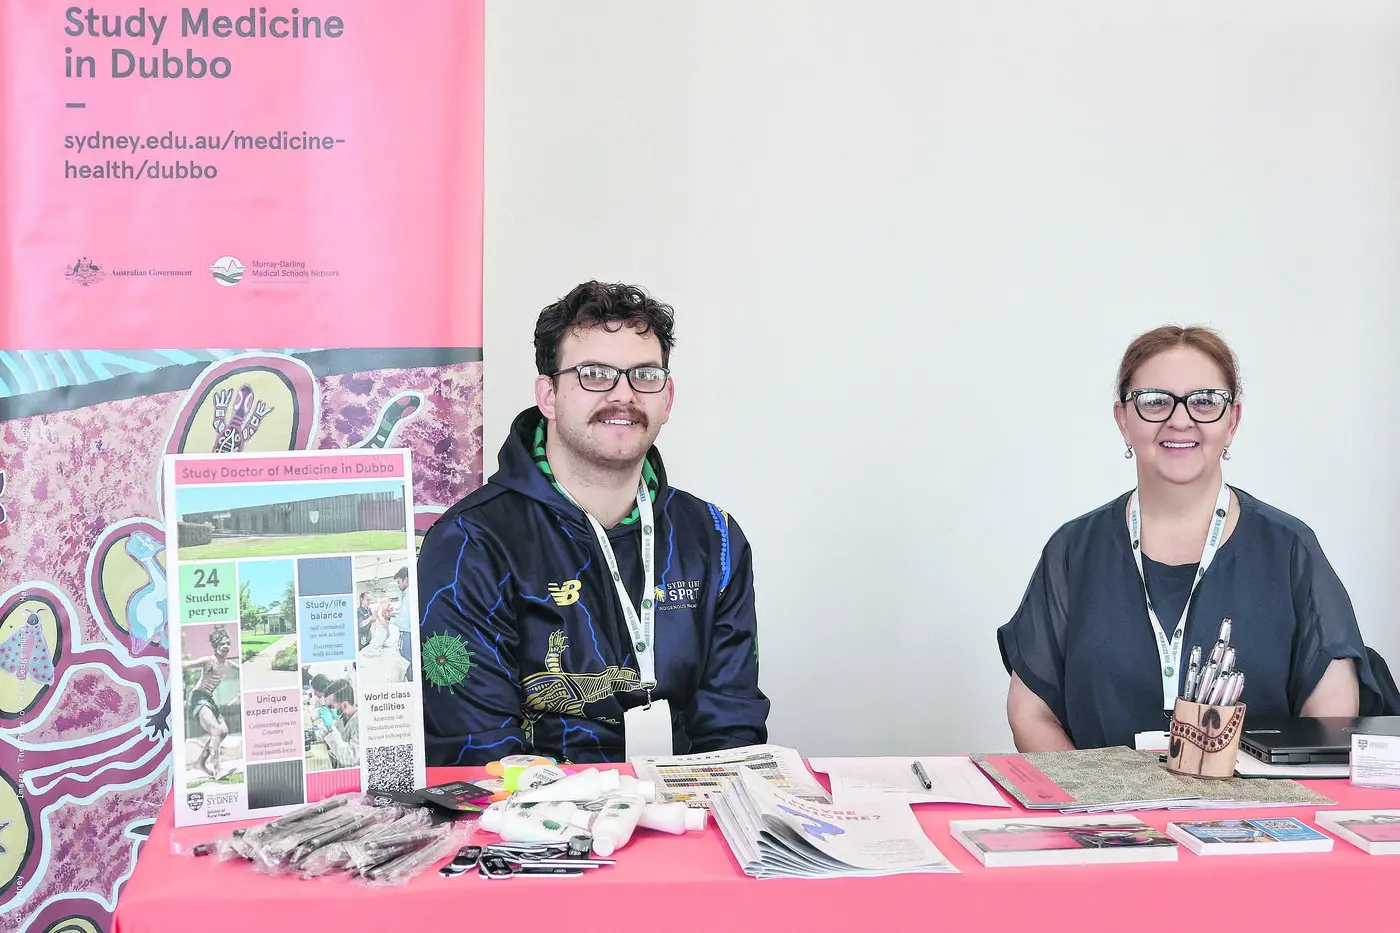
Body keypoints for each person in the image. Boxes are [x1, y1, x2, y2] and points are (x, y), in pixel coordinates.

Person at [418, 280, 770, 765]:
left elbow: (733, 734)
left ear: (667, 398)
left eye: (644, 375)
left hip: (681, 816)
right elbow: (480, 755)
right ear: (549, 395)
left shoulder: (714, 536)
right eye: (595, 374)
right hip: (538, 829)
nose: (623, 394)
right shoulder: (471, 543)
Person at [998, 325, 1384, 751]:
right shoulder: (1074, 551)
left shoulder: (1289, 548)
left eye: (1204, 401)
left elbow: (1330, 718)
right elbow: (1030, 713)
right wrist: (1094, 805)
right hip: (1106, 814)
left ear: (1232, 420)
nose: (1179, 419)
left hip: (1255, 814)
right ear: (1123, 420)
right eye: (1155, 402)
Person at [183, 625, 235, 778]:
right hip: (198, 697)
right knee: (217, 732)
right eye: (221, 644)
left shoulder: (229, 664)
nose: (225, 646)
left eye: (227, 643)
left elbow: (245, 669)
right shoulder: (208, 661)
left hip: (209, 699)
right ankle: (218, 770)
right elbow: (184, 665)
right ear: (215, 646)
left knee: (223, 732)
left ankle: (200, 762)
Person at [317, 679, 359, 768]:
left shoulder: (361, 724)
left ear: (344, 705)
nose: (328, 710)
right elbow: (325, 732)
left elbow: (349, 757)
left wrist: (330, 727)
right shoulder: (342, 718)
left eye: (331, 706)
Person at [392, 566, 413, 674]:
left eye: (399, 582)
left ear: (406, 580)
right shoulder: (406, 595)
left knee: (407, 663)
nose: (398, 585)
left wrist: (389, 618)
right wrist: (393, 614)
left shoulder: (409, 595)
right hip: (405, 635)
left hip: (407, 635)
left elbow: (404, 622)